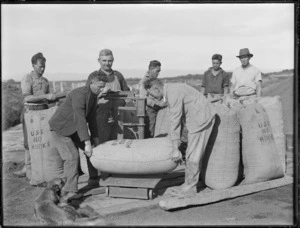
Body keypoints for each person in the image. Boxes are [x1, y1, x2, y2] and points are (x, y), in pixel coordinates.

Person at [143, 78, 216, 196]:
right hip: (196, 117)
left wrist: (175, 148)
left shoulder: (172, 93)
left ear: (156, 88)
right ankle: (188, 183)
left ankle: (191, 187)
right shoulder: (171, 89)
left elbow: (175, 121)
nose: (153, 97)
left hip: (201, 118)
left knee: (193, 154)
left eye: (151, 94)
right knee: (191, 152)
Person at [49, 75, 109, 201]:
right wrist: (86, 142)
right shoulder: (79, 94)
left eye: (103, 88)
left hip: (73, 128)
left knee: (93, 149)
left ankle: (94, 179)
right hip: (60, 129)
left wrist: (95, 141)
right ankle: (69, 191)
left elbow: (92, 120)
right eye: (100, 87)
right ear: (92, 82)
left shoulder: (93, 96)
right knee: (72, 156)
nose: (102, 90)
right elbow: (80, 120)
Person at [14, 52, 57, 179]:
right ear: (33, 65)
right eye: (40, 66)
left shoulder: (45, 81)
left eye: (44, 66)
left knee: (42, 141)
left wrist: (54, 99)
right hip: (30, 113)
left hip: (43, 112)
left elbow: (48, 99)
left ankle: (39, 168)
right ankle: (28, 170)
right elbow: (27, 97)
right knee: (30, 141)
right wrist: (45, 96)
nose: (42, 69)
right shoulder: (27, 78)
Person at [87, 49, 130, 143]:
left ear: (113, 60)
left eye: (109, 60)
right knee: (101, 142)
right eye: (104, 60)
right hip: (100, 116)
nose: (107, 63)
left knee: (118, 142)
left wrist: (118, 93)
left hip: (118, 117)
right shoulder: (93, 76)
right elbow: (87, 96)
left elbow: (127, 93)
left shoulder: (118, 75)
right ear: (99, 60)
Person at [138, 60, 167, 138]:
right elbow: (143, 97)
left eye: (159, 71)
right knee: (150, 130)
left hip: (159, 108)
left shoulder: (156, 81)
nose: (158, 73)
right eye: (157, 71)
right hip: (150, 110)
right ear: (151, 69)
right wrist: (157, 103)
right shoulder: (144, 81)